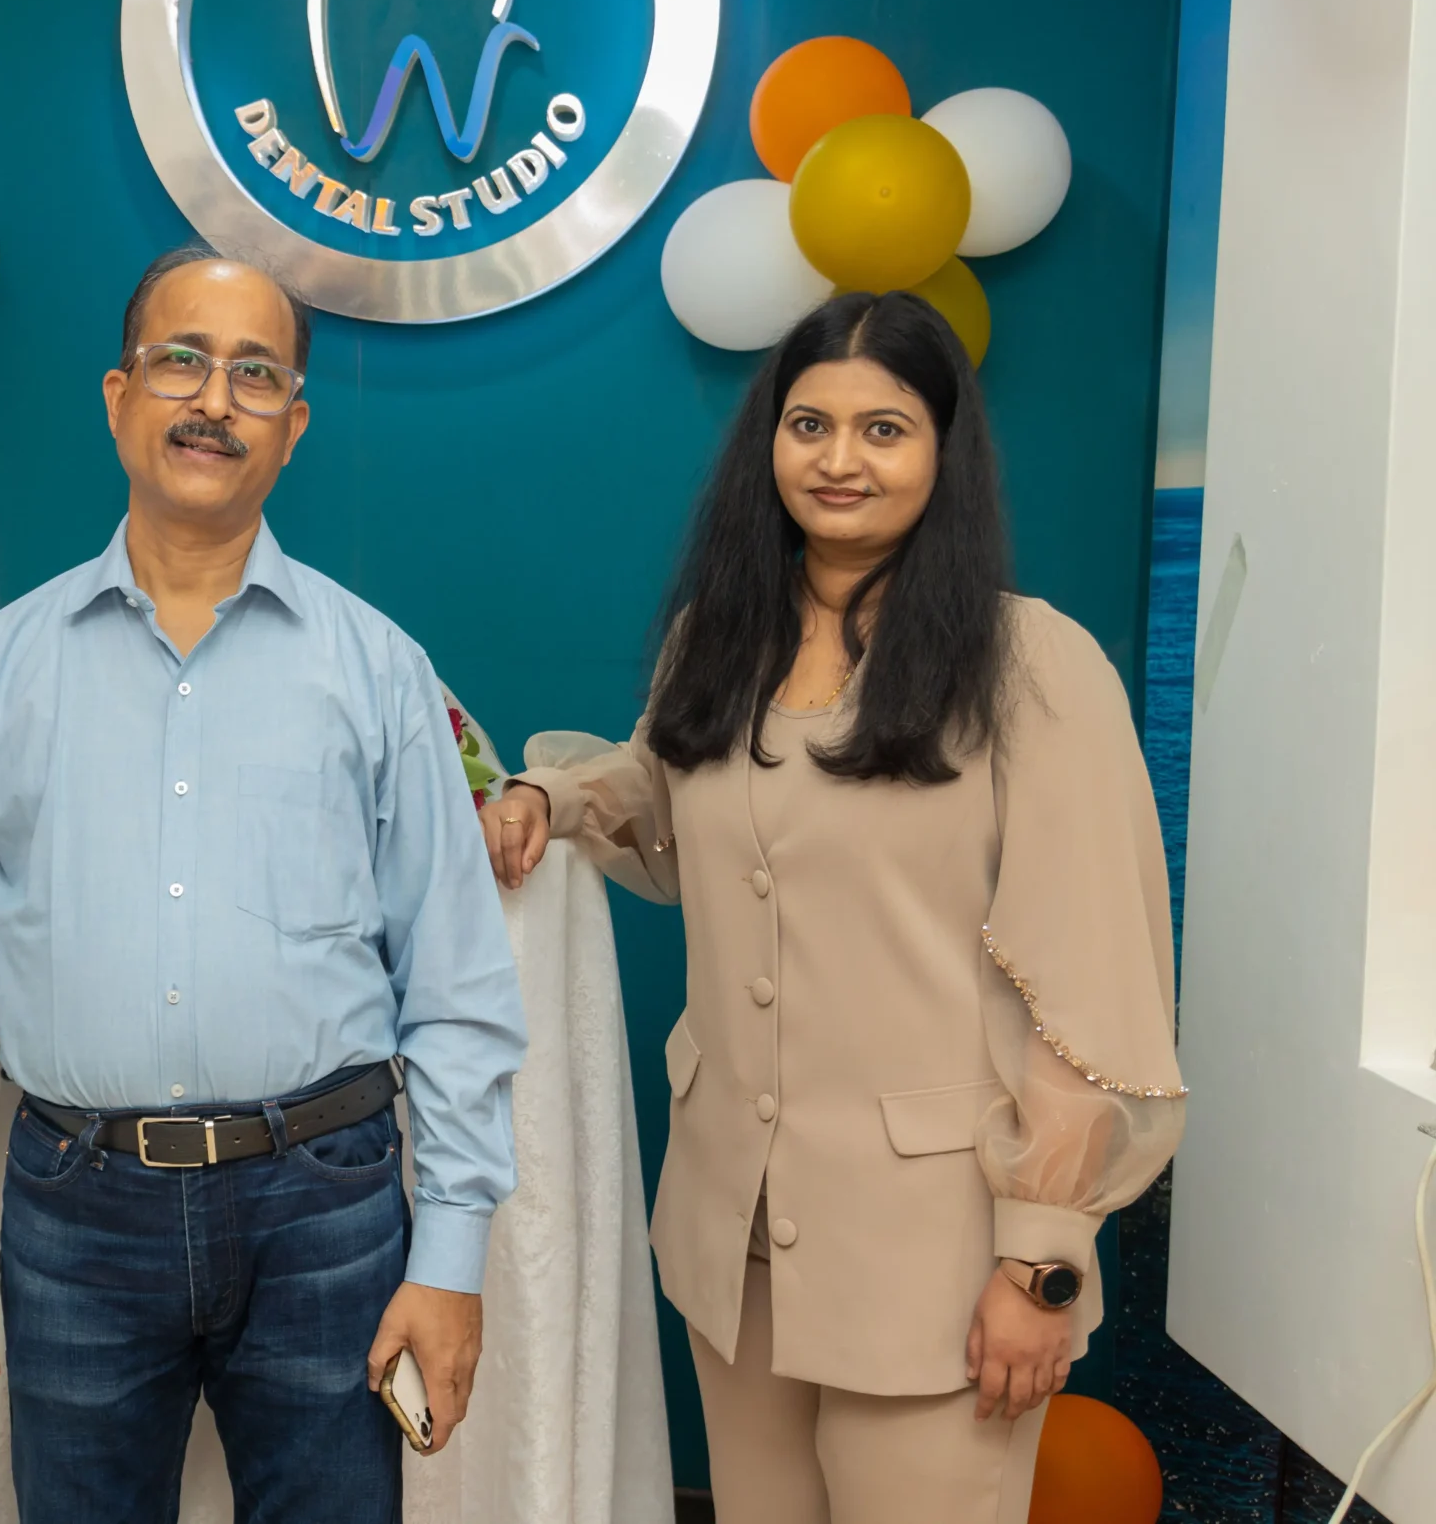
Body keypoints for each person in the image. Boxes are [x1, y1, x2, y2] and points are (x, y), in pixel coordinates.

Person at [482, 291, 1186, 1523]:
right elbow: (664, 785)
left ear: (945, 451)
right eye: (809, 424)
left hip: (935, 1260)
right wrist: (552, 795)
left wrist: (1042, 1257)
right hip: (731, 1239)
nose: (838, 459)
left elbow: (1089, 984)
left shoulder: (1032, 664)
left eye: (883, 429)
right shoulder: (715, 639)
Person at [0, 245, 528, 1523]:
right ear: (118, 396)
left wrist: (451, 1256)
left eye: (254, 374)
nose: (214, 400)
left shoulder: (377, 669)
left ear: (294, 425)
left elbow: (454, 985)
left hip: (326, 1208)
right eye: (181, 361)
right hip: (75, 1210)